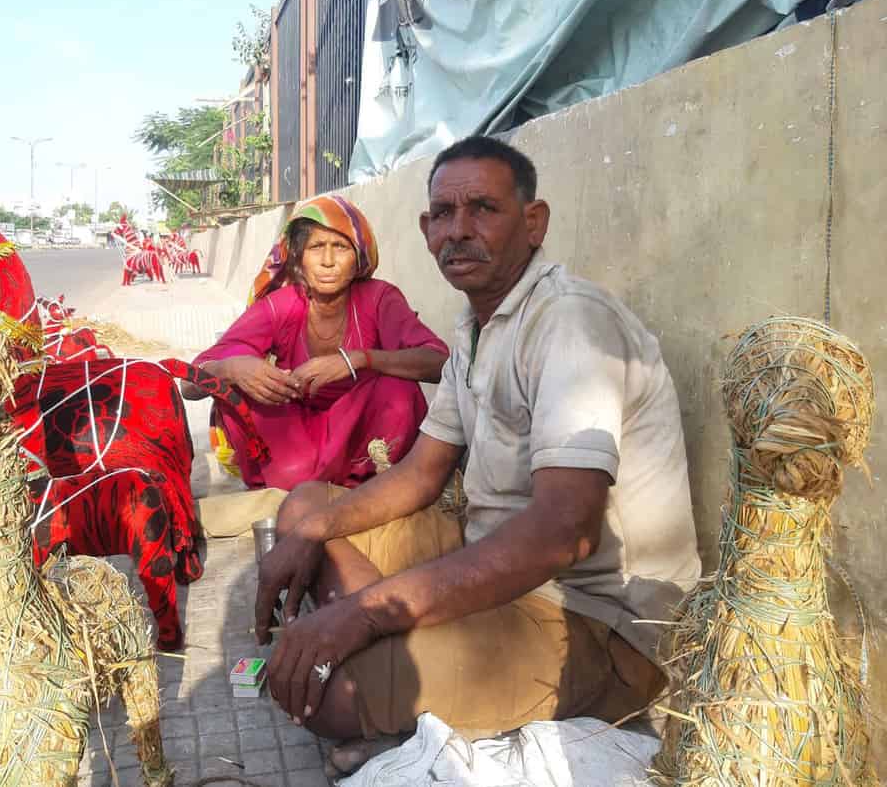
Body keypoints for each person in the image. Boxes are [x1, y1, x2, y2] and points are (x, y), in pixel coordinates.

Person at [253, 136, 702, 773]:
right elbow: (422, 471)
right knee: (305, 507)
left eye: (484, 210)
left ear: (533, 221)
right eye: (443, 214)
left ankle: (399, 664)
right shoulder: (474, 328)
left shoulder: (568, 321)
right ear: (425, 228)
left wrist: (365, 612)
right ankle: (411, 655)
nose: (458, 231)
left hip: (592, 622)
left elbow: (562, 536)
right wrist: (318, 535)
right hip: (491, 565)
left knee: (328, 690)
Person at [182, 194, 449, 490]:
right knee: (237, 390)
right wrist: (232, 368)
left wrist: (358, 359)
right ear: (297, 259)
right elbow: (189, 386)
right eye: (316, 247)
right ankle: (301, 488)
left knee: (398, 389)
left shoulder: (378, 298)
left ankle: (357, 491)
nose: (328, 261)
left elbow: (439, 362)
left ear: (359, 256)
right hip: (295, 442)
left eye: (341, 247)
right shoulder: (281, 305)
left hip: (361, 443)